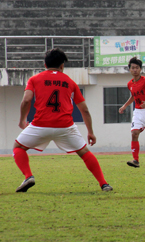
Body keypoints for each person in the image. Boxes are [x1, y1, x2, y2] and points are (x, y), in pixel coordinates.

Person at [13, 48, 113, 192]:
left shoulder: (34, 79)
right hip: (65, 126)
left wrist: (22, 119)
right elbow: (84, 109)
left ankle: (28, 176)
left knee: (18, 147)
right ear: (62, 66)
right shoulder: (70, 82)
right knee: (84, 153)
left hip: (40, 125)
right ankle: (104, 184)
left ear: (45, 64)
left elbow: (26, 100)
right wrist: (90, 132)